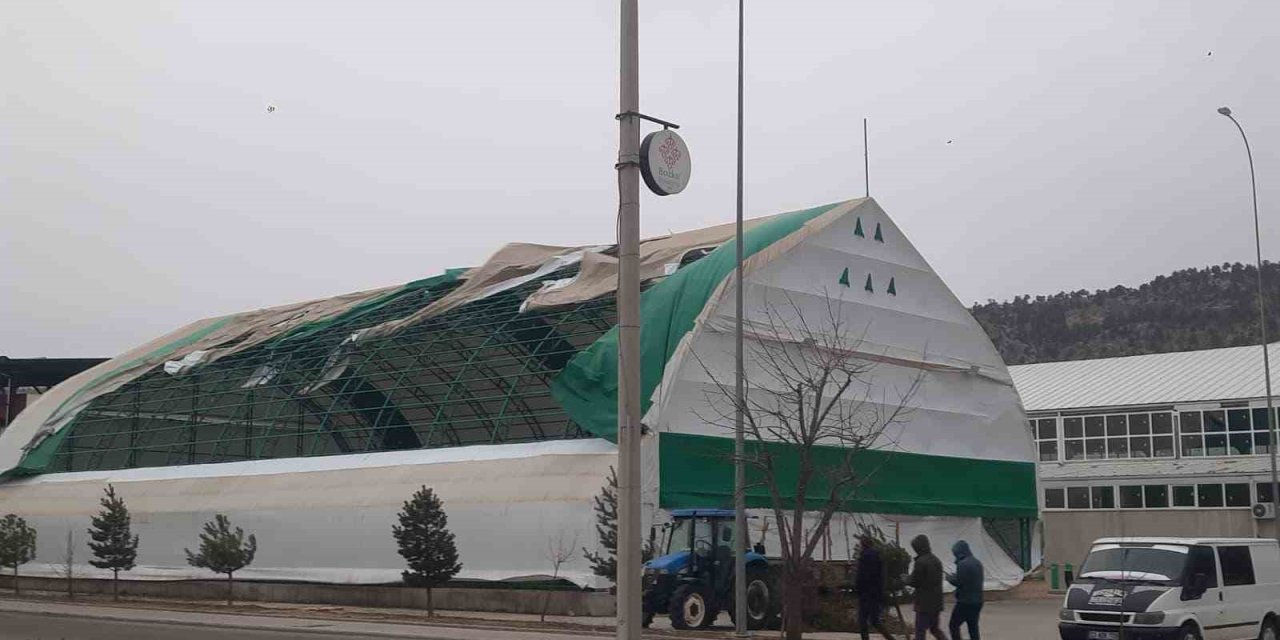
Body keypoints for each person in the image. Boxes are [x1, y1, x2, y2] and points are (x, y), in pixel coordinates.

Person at [905, 534, 949, 640]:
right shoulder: (936, 560)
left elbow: (915, 581)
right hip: (936, 601)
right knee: (934, 629)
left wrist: (905, 579)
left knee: (920, 631)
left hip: (924, 603)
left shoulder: (921, 562)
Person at [855, 534, 897, 640]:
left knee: (863, 621)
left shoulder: (864, 557)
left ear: (863, 545)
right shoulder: (878, 556)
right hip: (876, 593)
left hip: (866, 594)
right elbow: (881, 576)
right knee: (875, 620)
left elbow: (861, 577)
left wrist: (857, 589)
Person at [947, 540, 984, 640]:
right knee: (973, 627)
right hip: (978, 601)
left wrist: (950, 578)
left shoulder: (962, 564)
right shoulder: (977, 562)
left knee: (953, 625)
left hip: (965, 601)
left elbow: (959, 582)